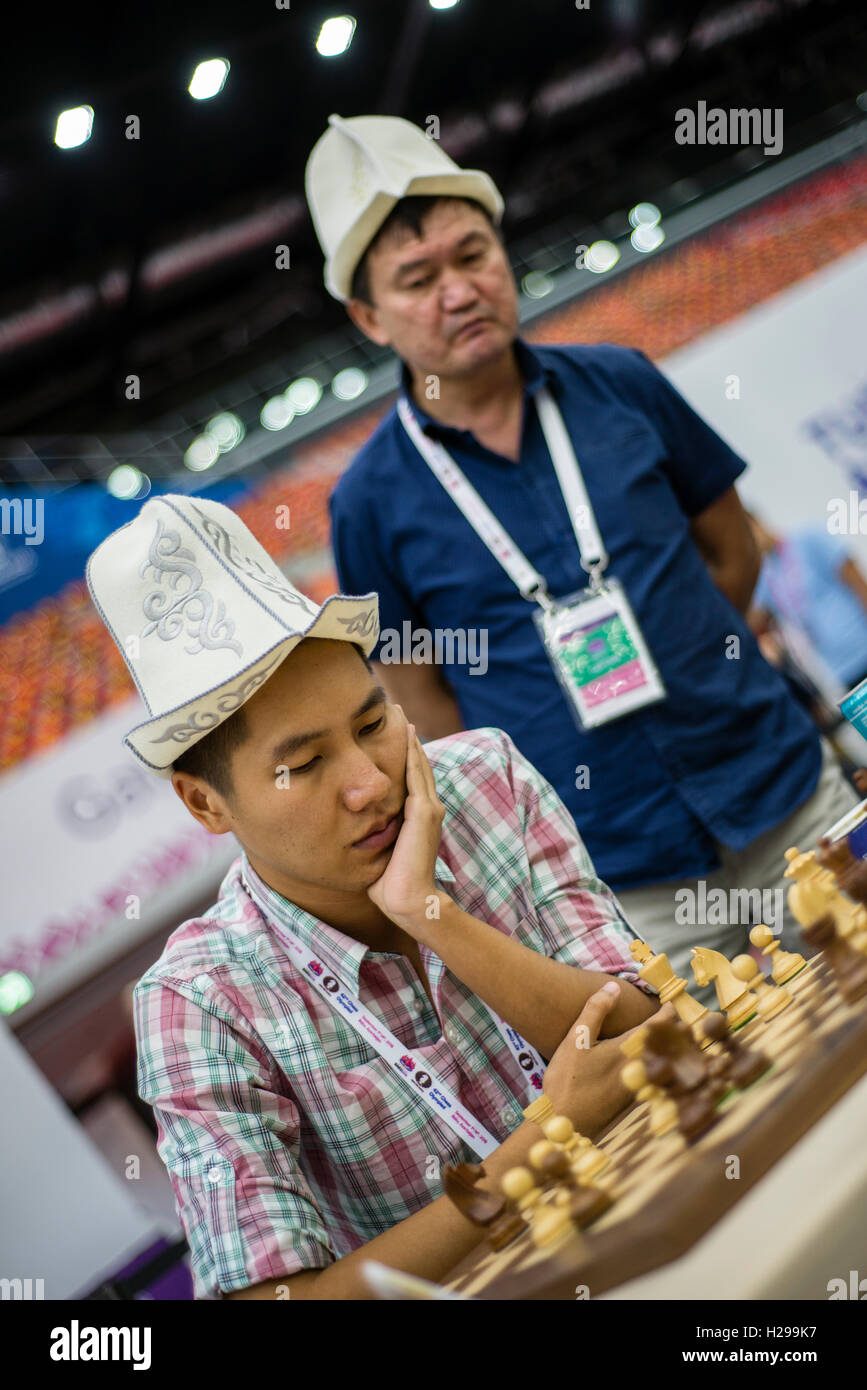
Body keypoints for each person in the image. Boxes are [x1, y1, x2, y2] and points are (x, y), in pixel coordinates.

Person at [306, 113, 859, 972]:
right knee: (715, 1058)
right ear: (369, 316)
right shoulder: (368, 506)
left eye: (471, 255)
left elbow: (732, 551)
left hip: (783, 789)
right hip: (622, 882)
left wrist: (692, 652)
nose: (458, 290)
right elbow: (425, 704)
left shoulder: (622, 384)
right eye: (417, 279)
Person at [85, 493, 657, 1301]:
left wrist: (431, 913)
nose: (370, 785)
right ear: (205, 804)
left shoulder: (485, 781)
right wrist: (539, 1147)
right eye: (304, 765)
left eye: (370, 725)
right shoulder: (200, 1001)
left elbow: (644, 1028)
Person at [749, 511, 867, 695]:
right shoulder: (766, 579)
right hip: (843, 671)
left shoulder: (809, 538)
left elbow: (858, 582)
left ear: (756, 522)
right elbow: (752, 624)